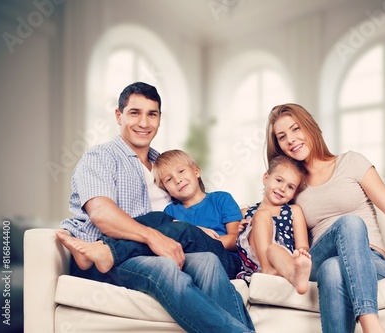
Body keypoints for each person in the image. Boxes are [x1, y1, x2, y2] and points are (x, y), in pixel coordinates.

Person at [58, 82, 255, 333]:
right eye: (134, 113)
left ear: (160, 119)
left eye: (152, 114)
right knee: (165, 262)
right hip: (121, 260)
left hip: (171, 248)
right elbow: (102, 214)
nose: (144, 122)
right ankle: (107, 252)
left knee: (207, 261)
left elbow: (190, 207)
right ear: (119, 116)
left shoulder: (164, 165)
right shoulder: (101, 157)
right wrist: (155, 237)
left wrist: (204, 227)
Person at [265, 103, 385, 333]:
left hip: (371, 261)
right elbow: (270, 210)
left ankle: (368, 322)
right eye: (282, 136)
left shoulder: (351, 162)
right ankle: (371, 324)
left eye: (296, 128)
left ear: (310, 127)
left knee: (333, 267)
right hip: (318, 256)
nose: (291, 139)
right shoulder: (292, 185)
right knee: (345, 230)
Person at [58, 149, 244, 279]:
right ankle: (101, 246)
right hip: (187, 260)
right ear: (166, 189)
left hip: (226, 261)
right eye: (169, 179)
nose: (178, 180)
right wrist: (192, 231)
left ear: (196, 171)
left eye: (181, 171)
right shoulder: (171, 210)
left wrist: (197, 234)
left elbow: (236, 239)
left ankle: (108, 253)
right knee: (155, 219)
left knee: (182, 230)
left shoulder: (220, 199)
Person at [236, 155, 312, 295]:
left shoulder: (293, 211)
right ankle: (267, 269)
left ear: (294, 194)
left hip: (281, 262)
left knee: (274, 249)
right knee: (262, 214)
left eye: (290, 187)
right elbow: (238, 243)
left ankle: (296, 277)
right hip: (256, 262)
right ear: (266, 178)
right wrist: (241, 230)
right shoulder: (246, 212)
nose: (282, 188)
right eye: (279, 180)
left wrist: (301, 254)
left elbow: (302, 244)